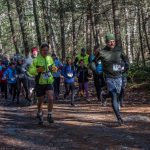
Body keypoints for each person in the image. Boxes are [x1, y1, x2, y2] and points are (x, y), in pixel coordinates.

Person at [98, 33, 129, 125]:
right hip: (109, 77)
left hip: (119, 77)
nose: (112, 43)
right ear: (106, 42)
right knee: (114, 96)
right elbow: (93, 62)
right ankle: (119, 118)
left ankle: (104, 95)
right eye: (109, 42)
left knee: (117, 94)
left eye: (113, 41)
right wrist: (96, 71)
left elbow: (126, 59)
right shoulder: (102, 52)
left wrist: (126, 66)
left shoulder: (119, 50)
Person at [29, 43, 57, 125]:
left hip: (49, 81)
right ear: (40, 51)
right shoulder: (36, 60)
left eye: (47, 50)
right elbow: (30, 71)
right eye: (44, 50)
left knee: (51, 98)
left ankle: (49, 115)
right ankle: (40, 113)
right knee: (40, 101)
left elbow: (53, 67)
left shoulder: (50, 58)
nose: (45, 52)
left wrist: (54, 69)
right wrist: (37, 70)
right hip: (39, 83)